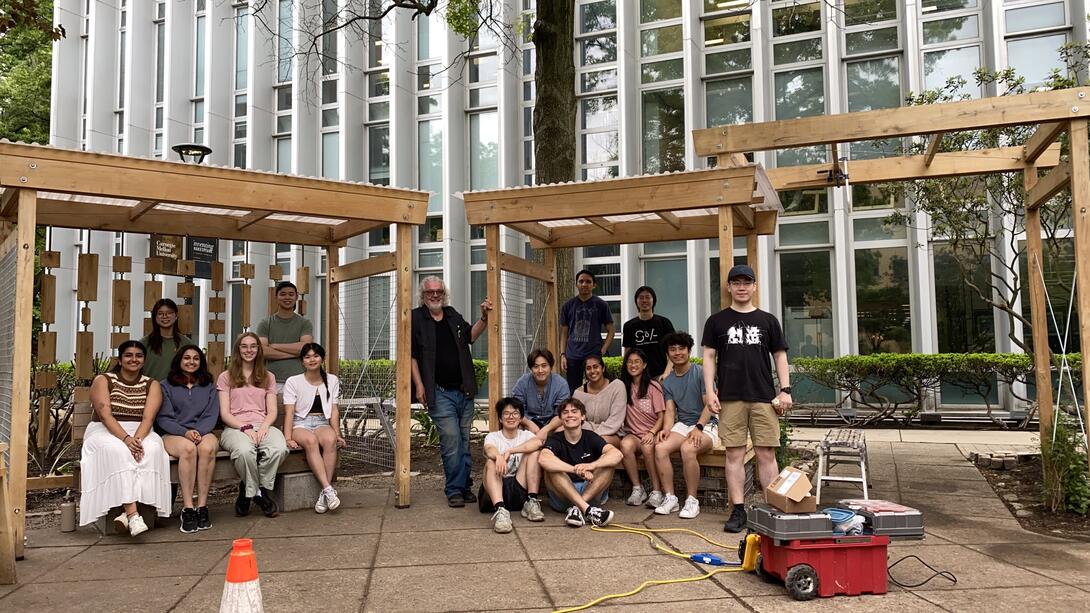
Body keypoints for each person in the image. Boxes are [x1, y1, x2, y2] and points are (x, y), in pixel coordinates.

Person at [701, 264, 793, 533]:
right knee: (734, 454)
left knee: (766, 453)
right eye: (736, 282)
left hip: (763, 396)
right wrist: (709, 391)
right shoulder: (716, 321)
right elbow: (708, 356)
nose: (741, 287)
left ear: (754, 286)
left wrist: (785, 390)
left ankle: (772, 511)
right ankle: (738, 510)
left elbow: (780, 356)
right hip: (730, 397)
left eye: (747, 282)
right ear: (729, 287)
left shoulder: (768, 320)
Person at [410, 275, 493, 508]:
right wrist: (419, 385)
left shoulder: (453, 315)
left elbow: (470, 336)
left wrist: (485, 317)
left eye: (438, 291)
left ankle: (464, 485)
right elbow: (412, 356)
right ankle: (454, 489)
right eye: (430, 292)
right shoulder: (416, 318)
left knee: (465, 441)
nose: (435, 295)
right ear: (423, 295)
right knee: (452, 440)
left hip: (463, 389)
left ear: (443, 293)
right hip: (439, 392)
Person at [79, 340, 171, 535]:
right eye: (128, 355)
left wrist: (136, 440)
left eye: (138, 356)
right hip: (106, 429)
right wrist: (127, 440)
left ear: (144, 360)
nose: (134, 359)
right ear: (120, 360)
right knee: (118, 450)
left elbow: (148, 417)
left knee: (153, 449)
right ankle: (133, 515)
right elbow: (105, 415)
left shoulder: (151, 384)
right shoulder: (104, 380)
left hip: (141, 429)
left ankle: (124, 512)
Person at [218, 332, 289, 518]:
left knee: (279, 448)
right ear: (237, 350)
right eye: (244, 346)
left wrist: (264, 427)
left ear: (258, 350)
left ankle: (250, 490)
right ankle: (259, 494)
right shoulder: (226, 377)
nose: (249, 350)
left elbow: (272, 410)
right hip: (235, 427)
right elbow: (225, 413)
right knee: (243, 452)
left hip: (262, 424)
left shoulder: (268, 377)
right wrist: (245, 428)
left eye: (253, 346)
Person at [156, 345, 219, 533]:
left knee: (207, 448)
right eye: (187, 358)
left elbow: (211, 414)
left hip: (202, 431)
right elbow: (164, 417)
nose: (191, 361)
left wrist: (198, 431)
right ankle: (188, 507)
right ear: (179, 361)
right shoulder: (165, 385)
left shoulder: (208, 385)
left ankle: (202, 507)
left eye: (196, 358)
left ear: (201, 362)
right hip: (174, 434)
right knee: (188, 449)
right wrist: (185, 432)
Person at [652, 332, 715, 519]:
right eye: (672, 349)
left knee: (688, 449)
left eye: (681, 348)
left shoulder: (701, 372)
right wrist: (666, 429)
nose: (677, 352)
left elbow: (709, 405)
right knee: (660, 447)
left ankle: (692, 500)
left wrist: (699, 427)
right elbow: (670, 412)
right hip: (683, 424)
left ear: (688, 350)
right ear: (667, 353)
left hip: (708, 423)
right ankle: (670, 498)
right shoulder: (668, 381)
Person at [538, 398, 623, 528]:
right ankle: (588, 511)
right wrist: (576, 469)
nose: (570, 415)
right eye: (565, 412)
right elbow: (543, 459)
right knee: (552, 469)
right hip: (563, 495)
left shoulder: (590, 436)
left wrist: (592, 465)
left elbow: (617, 454)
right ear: (560, 419)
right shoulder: (555, 439)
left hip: (590, 492)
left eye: (574, 411)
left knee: (608, 464)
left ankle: (578, 508)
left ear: (582, 416)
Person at [283, 342, 347, 514]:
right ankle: (328, 489)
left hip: (321, 422)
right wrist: (288, 437)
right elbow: (289, 413)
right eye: (307, 357)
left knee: (330, 439)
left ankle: (324, 494)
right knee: (310, 441)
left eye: (316, 356)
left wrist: (337, 433)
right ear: (302, 361)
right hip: (300, 423)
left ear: (322, 358)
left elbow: (333, 410)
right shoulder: (293, 381)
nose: (312, 360)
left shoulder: (332, 380)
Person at [479, 397, 545, 533]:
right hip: (496, 489)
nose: (511, 417)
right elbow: (489, 449)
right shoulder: (493, 436)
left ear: (521, 418)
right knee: (491, 462)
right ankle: (500, 511)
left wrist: (511, 450)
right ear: (500, 419)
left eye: (515, 413)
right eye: (506, 413)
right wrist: (498, 456)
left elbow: (538, 443)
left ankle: (532, 501)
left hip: (519, 487)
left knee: (534, 453)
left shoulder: (526, 435)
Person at [618, 348, 667, 508]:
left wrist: (652, 432)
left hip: (652, 432)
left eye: (637, 362)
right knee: (625, 445)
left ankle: (657, 491)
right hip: (632, 434)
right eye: (630, 362)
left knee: (647, 449)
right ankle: (637, 488)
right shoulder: (621, 387)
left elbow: (662, 417)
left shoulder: (653, 387)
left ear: (644, 365)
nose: (633, 365)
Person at [559, 269, 615, 393]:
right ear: (576, 284)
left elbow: (611, 330)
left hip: (593, 353)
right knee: (574, 390)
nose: (584, 284)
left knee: (597, 387)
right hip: (572, 354)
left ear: (594, 285)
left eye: (588, 282)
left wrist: (603, 349)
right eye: (581, 281)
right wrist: (562, 354)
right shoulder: (568, 305)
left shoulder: (601, 305)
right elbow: (564, 332)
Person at [257, 281, 314, 392]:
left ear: (296, 297)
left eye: (291, 294)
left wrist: (274, 346)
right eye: (282, 294)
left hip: (299, 379)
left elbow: (305, 348)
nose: (287, 297)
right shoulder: (265, 323)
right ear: (276, 297)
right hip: (271, 381)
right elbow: (262, 351)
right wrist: (294, 354)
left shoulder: (305, 323)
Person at [510, 348, 569, 440]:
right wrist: (529, 424)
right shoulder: (522, 383)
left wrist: (546, 429)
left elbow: (562, 413)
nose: (540, 370)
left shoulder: (561, 384)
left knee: (563, 429)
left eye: (544, 366)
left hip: (553, 423)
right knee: (516, 428)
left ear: (550, 366)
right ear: (531, 368)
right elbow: (516, 410)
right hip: (529, 421)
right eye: (536, 366)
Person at [571, 354, 626, 448]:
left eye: (596, 367)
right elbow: (577, 419)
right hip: (585, 434)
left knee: (600, 442)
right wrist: (590, 433)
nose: (592, 371)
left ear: (603, 368)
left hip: (613, 434)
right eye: (588, 368)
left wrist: (594, 434)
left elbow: (615, 420)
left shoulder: (617, 386)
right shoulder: (578, 393)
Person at [621, 286, 675, 380]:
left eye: (648, 297)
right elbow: (627, 353)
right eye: (641, 298)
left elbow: (673, 349)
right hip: (638, 376)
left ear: (653, 300)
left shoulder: (664, 323)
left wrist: (666, 373)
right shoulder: (629, 326)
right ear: (636, 301)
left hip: (660, 375)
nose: (644, 300)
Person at [140, 298, 193, 381]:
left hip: (178, 391)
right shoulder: (144, 343)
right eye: (160, 313)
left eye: (169, 313)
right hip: (149, 391)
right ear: (155, 317)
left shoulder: (186, 343)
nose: (165, 316)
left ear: (176, 316)